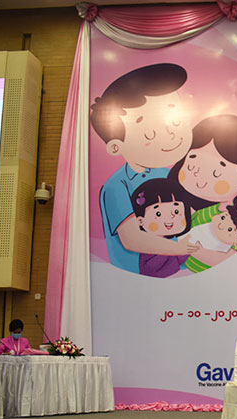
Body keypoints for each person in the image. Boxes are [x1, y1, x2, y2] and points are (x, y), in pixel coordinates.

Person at [90, 63, 200, 274]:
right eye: (150, 134)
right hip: (139, 277)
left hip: (179, 271)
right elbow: (132, 238)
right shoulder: (117, 185)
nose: (170, 135)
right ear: (116, 147)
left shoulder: (168, 173)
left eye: (175, 121)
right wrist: (178, 248)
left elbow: (191, 215)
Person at [129, 178, 193, 277]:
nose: (170, 217)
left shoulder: (173, 240)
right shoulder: (149, 245)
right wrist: (181, 251)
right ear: (141, 221)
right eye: (158, 214)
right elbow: (150, 270)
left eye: (176, 212)